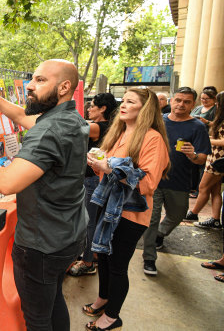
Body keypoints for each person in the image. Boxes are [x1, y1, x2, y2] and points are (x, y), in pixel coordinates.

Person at [0, 59, 89, 330]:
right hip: (69, 235)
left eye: (40, 80)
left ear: (64, 87)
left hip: (41, 245)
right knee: (54, 300)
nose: (30, 86)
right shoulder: (71, 118)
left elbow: (6, 183)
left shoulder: (49, 131)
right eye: (32, 79)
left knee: (37, 319)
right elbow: (23, 117)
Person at [83, 88, 169, 330]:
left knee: (118, 264)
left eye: (130, 102)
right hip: (105, 204)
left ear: (144, 109)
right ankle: (103, 299)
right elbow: (106, 168)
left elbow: (149, 182)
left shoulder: (153, 139)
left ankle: (112, 317)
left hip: (130, 213)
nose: (122, 105)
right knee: (103, 258)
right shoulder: (118, 131)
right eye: (124, 100)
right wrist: (98, 164)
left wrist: (109, 168)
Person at [142, 86, 211, 275]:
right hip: (154, 179)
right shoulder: (158, 122)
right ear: (172, 101)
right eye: (178, 100)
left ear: (193, 105)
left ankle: (160, 234)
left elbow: (202, 158)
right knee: (152, 219)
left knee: (177, 215)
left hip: (179, 181)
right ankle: (149, 258)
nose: (181, 104)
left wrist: (193, 155)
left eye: (186, 101)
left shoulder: (197, 126)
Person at [69, 92, 118, 277]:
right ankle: (93, 254)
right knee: (94, 220)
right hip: (97, 178)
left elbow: (74, 129)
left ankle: (88, 262)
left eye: (92, 106)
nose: (89, 109)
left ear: (103, 108)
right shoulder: (111, 126)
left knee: (89, 222)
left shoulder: (98, 127)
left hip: (91, 180)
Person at [186, 91, 224, 229]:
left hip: (217, 159)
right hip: (214, 157)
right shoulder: (219, 118)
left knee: (203, 187)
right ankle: (215, 219)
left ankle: (193, 213)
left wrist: (209, 140)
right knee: (215, 190)